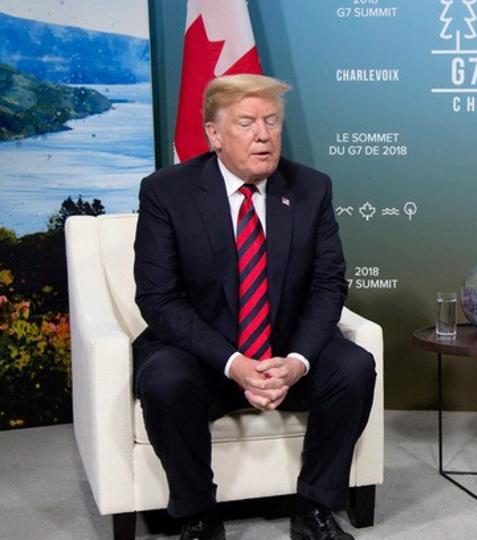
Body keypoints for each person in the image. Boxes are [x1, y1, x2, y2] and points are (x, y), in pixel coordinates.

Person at [133, 74, 375, 540]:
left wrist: (299, 362)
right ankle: (199, 516)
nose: (264, 135)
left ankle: (315, 509)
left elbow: (328, 286)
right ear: (214, 134)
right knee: (164, 379)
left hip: (285, 350)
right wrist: (234, 363)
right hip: (205, 356)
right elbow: (158, 298)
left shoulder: (311, 188)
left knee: (354, 366)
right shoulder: (167, 192)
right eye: (247, 123)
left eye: (272, 122)